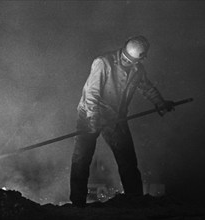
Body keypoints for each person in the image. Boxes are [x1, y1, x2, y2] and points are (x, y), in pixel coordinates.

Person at [70, 35, 175, 207]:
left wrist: (160, 102)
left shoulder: (137, 69)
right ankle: (77, 202)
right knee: (81, 158)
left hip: (116, 118)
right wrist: (92, 119)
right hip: (89, 114)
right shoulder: (103, 63)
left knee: (128, 160)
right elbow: (92, 94)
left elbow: (146, 87)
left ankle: (135, 200)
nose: (130, 63)